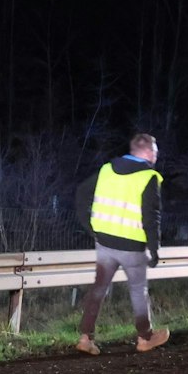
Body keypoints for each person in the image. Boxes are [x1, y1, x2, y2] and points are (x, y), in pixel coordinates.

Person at [75, 132, 168, 355]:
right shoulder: (149, 177)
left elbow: (81, 195)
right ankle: (144, 338)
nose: (156, 156)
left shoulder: (107, 170)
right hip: (132, 246)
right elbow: (151, 217)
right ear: (147, 152)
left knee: (98, 289)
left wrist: (92, 229)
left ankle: (85, 338)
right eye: (155, 152)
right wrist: (155, 249)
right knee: (138, 291)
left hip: (105, 242)